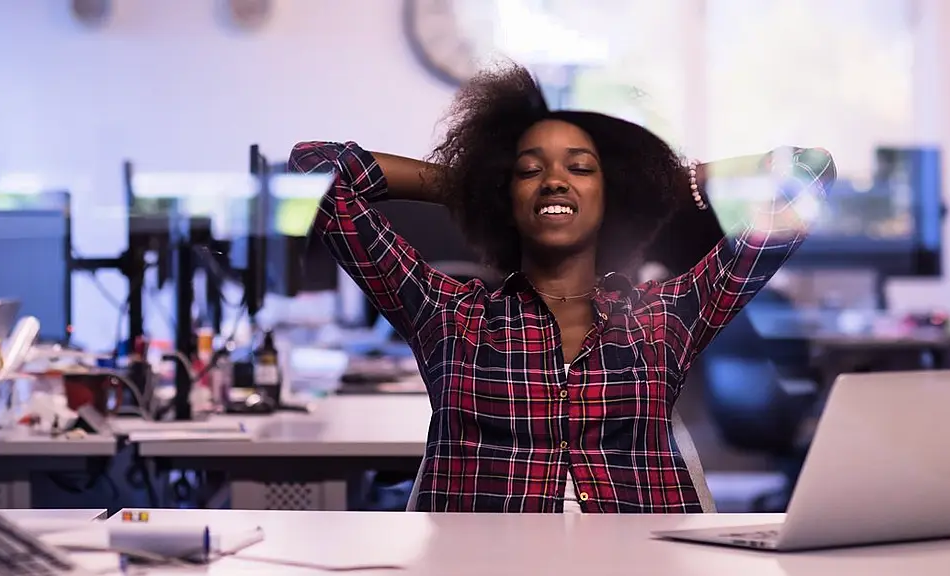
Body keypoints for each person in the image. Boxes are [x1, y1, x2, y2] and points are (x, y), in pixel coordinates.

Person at [289, 64, 836, 513]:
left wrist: (657, 181)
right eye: (530, 171)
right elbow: (316, 169)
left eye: (581, 168)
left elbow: (810, 172)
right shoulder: (447, 315)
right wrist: (473, 182)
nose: (554, 180)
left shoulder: (668, 315)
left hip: (646, 575)